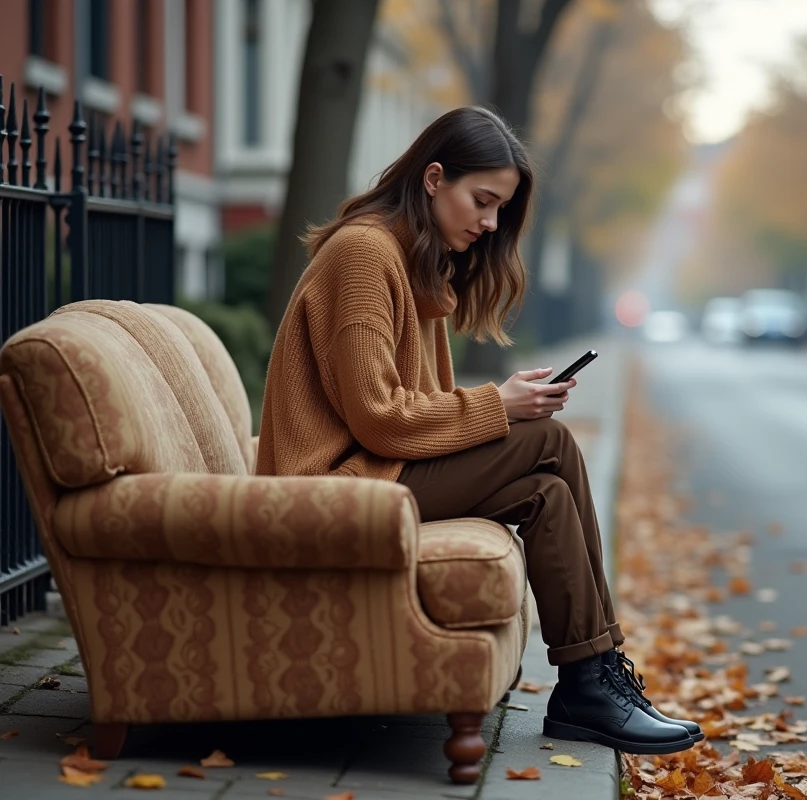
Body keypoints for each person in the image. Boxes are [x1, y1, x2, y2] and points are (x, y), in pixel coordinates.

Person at [255, 107, 699, 755]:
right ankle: (593, 677)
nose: (490, 223)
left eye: (499, 209)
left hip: (374, 471)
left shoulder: (410, 261)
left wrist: (501, 401)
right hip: (330, 487)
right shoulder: (363, 254)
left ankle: (590, 680)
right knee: (549, 441)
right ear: (434, 178)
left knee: (546, 492)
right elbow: (380, 416)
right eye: (482, 201)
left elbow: (413, 408)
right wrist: (500, 404)